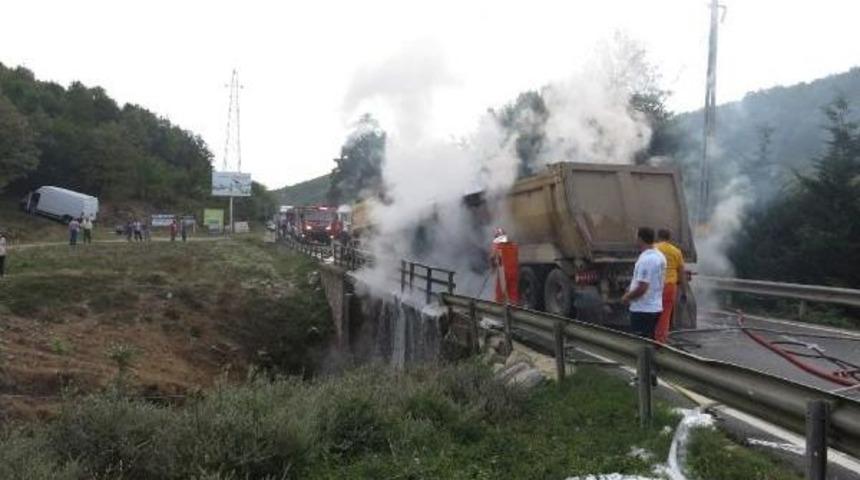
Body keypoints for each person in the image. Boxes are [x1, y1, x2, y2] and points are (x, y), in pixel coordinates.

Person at [621, 227, 666, 339]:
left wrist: (627, 297)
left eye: (636, 237)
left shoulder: (647, 260)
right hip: (654, 307)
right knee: (649, 341)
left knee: (641, 343)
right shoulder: (659, 256)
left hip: (643, 310)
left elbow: (642, 287)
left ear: (640, 239)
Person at [654, 228, 687, 344]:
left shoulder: (654, 249)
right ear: (669, 238)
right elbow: (681, 272)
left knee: (651, 310)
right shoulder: (676, 251)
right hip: (669, 286)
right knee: (665, 314)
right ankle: (660, 340)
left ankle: (648, 336)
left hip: (655, 285)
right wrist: (684, 290)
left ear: (658, 237)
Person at [489, 227, 519, 304]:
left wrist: (493, 267)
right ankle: (513, 310)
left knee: (500, 294)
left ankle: (499, 311)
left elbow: (492, 257)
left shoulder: (497, 244)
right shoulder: (514, 245)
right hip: (514, 273)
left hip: (503, 273)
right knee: (513, 293)